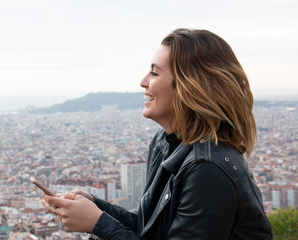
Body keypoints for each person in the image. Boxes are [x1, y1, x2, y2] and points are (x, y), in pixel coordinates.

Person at [41, 28, 273, 239]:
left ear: (189, 86)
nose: (143, 82)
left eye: (154, 73)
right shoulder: (166, 143)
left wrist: (98, 223)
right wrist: (95, 206)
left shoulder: (208, 169)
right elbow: (148, 227)